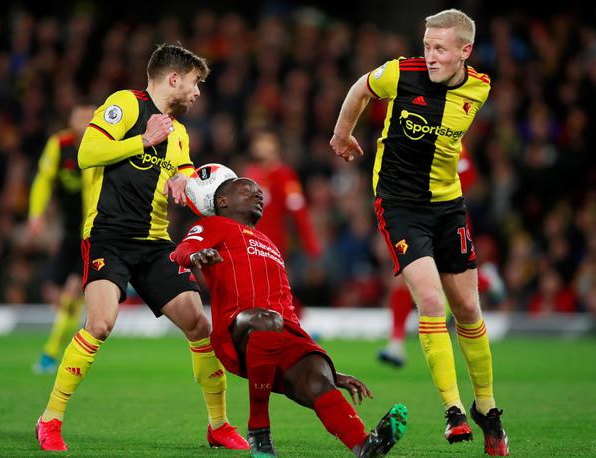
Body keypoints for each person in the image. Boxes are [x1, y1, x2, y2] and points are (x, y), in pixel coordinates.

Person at [35, 44, 248, 452]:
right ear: (173, 78)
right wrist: (144, 141)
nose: (198, 92)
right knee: (100, 324)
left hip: (154, 243)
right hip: (108, 237)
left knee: (199, 325)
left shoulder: (179, 133)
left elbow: (186, 178)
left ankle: (218, 426)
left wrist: (188, 186)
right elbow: (86, 153)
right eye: (195, 82)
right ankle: (50, 420)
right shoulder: (125, 106)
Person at [330, 9, 508, 456]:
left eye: (440, 48)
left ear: (464, 52)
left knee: (468, 306)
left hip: (449, 206)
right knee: (431, 301)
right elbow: (360, 88)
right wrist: (342, 133)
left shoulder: (480, 89)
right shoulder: (400, 73)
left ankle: (486, 407)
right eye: (427, 45)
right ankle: (452, 412)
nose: (430, 55)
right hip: (400, 206)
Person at [172, 177, 408, 458]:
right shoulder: (212, 225)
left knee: (318, 380)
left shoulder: (269, 243)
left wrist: (334, 374)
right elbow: (181, 251)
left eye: (260, 193)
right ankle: (259, 429)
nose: (258, 195)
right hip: (236, 328)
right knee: (267, 321)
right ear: (222, 201)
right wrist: (197, 255)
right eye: (247, 190)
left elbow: (285, 304)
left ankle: (364, 446)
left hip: (280, 331)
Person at [378, 145, 506, 368]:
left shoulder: (450, 138)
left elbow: (468, 176)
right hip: (413, 218)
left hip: (447, 217)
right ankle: (396, 343)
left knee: (449, 277)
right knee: (403, 275)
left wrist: (436, 192)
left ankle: (484, 280)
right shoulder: (404, 135)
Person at [28, 104, 95, 374]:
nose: (84, 121)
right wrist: (36, 214)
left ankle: (50, 353)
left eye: (90, 117)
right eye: (80, 116)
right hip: (69, 231)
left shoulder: (102, 144)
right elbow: (43, 179)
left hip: (92, 230)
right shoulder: (59, 144)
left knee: (70, 292)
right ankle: (70, 337)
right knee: (54, 291)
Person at [244, 128, 322, 317]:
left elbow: (298, 212)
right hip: (247, 241)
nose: (259, 146)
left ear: (274, 147)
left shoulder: (284, 175)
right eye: (258, 142)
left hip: (273, 243)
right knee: (260, 290)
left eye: (264, 142)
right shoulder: (250, 173)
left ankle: (297, 319)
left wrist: (311, 248)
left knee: (272, 289)